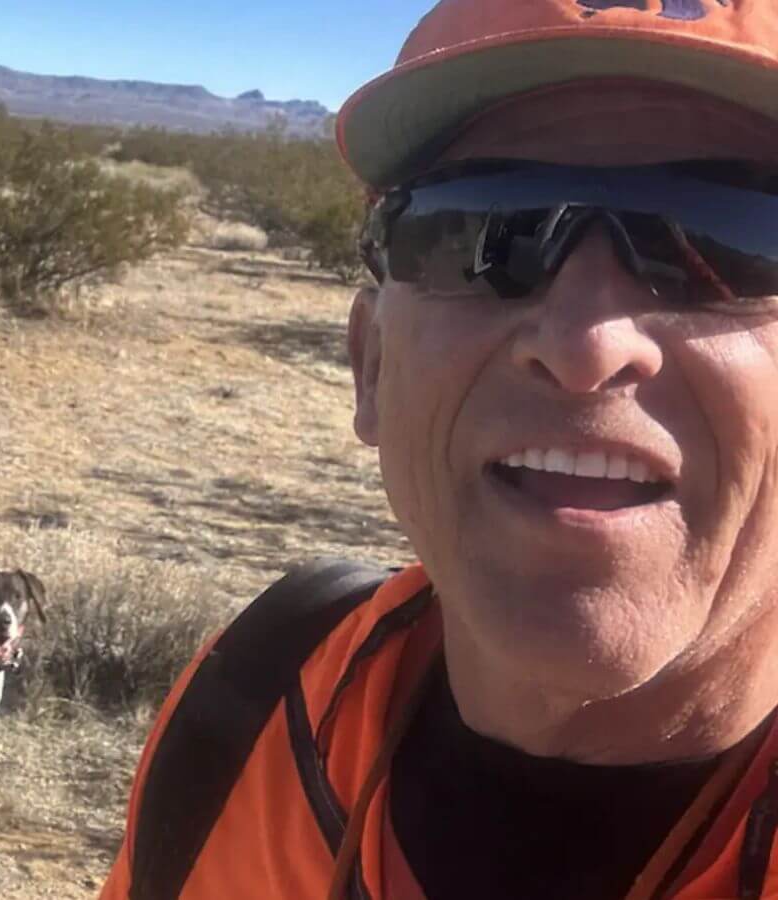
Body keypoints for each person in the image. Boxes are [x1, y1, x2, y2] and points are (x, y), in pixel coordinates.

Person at [97, 1, 778, 898]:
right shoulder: (254, 705)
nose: (584, 347)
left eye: (733, 239)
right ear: (370, 363)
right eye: (477, 232)